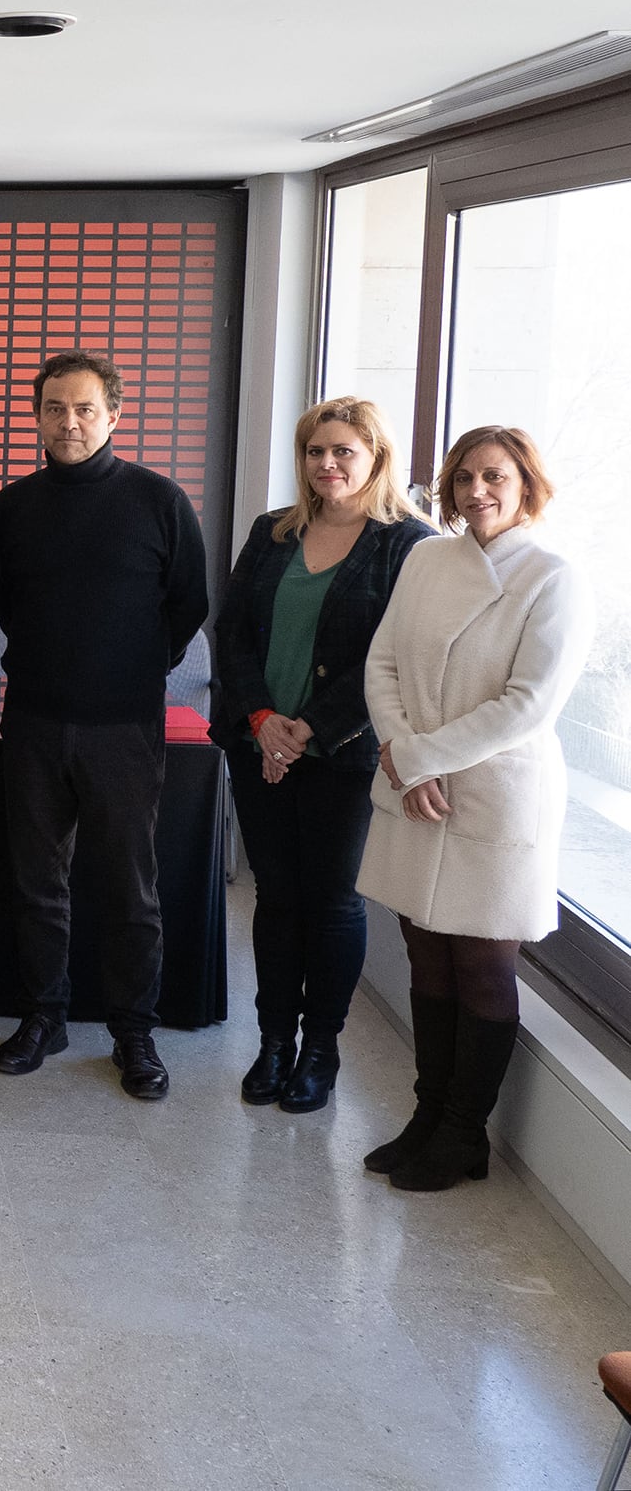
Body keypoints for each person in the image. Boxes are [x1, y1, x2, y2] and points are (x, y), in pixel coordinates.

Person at [357, 426, 592, 1192]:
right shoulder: (428, 558)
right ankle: (428, 1115)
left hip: (495, 794)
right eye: (463, 478)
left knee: (482, 962)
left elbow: (528, 705)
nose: (476, 492)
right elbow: (382, 661)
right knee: (424, 951)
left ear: (526, 483)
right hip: (414, 785)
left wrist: (418, 758)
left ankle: (464, 1134)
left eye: (494, 476)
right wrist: (400, 756)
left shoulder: (553, 577)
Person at [0, 350, 209, 1100]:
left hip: (124, 726)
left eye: (84, 408)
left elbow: (187, 604)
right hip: (36, 722)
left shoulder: (159, 500)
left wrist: (130, 664)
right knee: (37, 882)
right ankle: (44, 1016)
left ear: (113, 415)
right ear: (38, 417)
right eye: (55, 408)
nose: (69, 421)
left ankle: (133, 1033)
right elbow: (8, 608)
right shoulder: (13, 507)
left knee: (128, 887)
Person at [210, 398, 432, 1113]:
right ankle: (273, 1042)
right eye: (315, 451)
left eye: (344, 451)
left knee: (332, 901)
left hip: (342, 753)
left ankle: (320, 1049)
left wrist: (307, 729)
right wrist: (264, 719)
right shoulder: (271, 532)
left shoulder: (408, 546)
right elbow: (235, 629)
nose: (328, 464)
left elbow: (393, 658)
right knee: (276, 897)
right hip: (258, 741)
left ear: (376, 458)